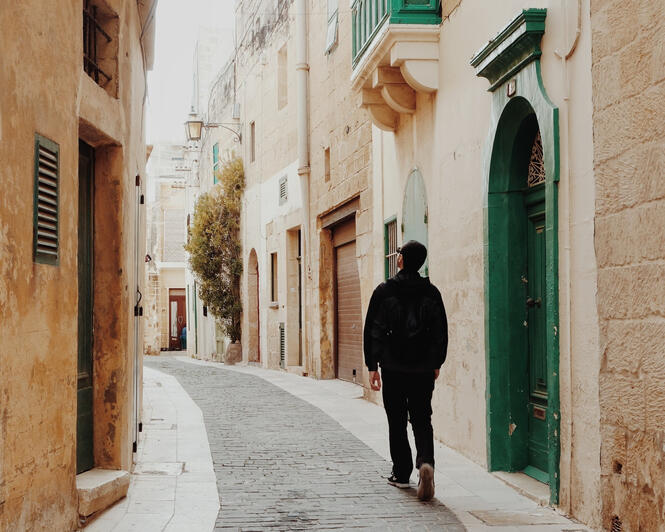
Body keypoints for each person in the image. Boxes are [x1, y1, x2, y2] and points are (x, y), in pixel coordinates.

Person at [363, 240, 448, 501]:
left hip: (393, 367)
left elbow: (373, 329)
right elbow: (440, 332)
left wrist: (372, 365)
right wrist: (436, 362)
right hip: (422, 369)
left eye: (399, 253)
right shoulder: (432, 293)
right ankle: (426, 463)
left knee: (397, 420)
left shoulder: (385, 290)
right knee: (422, 418)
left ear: (401, 260)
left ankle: (401, 473)